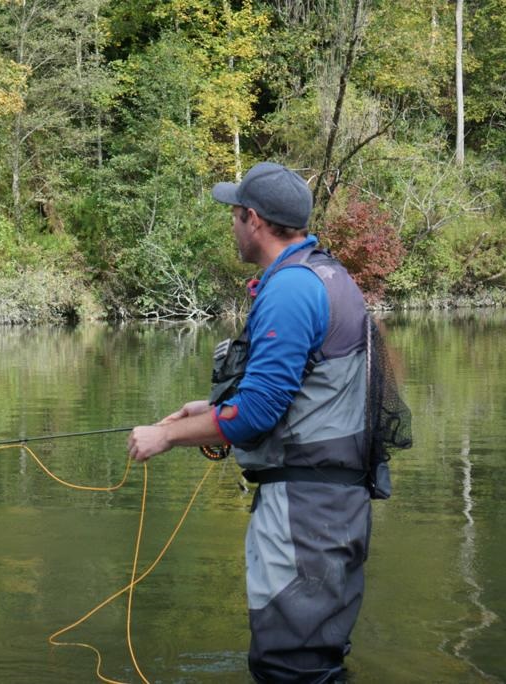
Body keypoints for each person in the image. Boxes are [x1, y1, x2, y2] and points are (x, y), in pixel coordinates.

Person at [127, 161, 375, 683]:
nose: (233, 225)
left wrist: (165, 435)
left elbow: (258, 412)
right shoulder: (330, 276)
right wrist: (210, 410)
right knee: (315, 663)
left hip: (303, 515)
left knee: (288, 667)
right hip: (337, 505)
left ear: (253, 219)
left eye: (234, 214)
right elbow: (304, 395)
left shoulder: (288, 290)